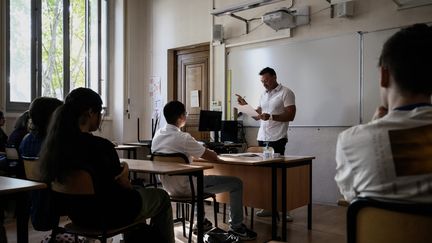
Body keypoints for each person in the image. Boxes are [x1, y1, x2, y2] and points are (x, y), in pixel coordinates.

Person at [39, 88, 175, 243]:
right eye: (99, 113)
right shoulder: (101, 146)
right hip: (108, 215)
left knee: (138, 198)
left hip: (77, 216)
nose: (100, 118)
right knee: (161, 197)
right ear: (90, 112)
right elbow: (120, 187)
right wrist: (125, 176)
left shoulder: (55, 148)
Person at [335, 23, 432, 202]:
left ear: (384, 75)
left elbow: (350, 197)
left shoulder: (351, 141)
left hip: (381, 231)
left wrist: (372, 127)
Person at [151, 100, 257, 241]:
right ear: (181, 117)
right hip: (189, 188)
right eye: (185, 114)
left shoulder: (157, 136)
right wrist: (208, 150)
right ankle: (237, 228)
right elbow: (212, 157)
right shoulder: (183, 138)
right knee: (236, 183)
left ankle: (200, 222)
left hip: (168, 189)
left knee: (197, 176)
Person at [236, 67, 296, 219]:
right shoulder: (263, 94)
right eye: (262, 81)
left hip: (278, 138)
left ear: (275, 77)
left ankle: (284, 210)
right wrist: (245, 106)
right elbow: (258, 116)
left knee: (279, 175)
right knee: (265, 175)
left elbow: (291, 115)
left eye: (267, 80)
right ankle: (269, 207)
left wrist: (271, 117)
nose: (264, 84)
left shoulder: (286, 92)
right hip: (263, 137)